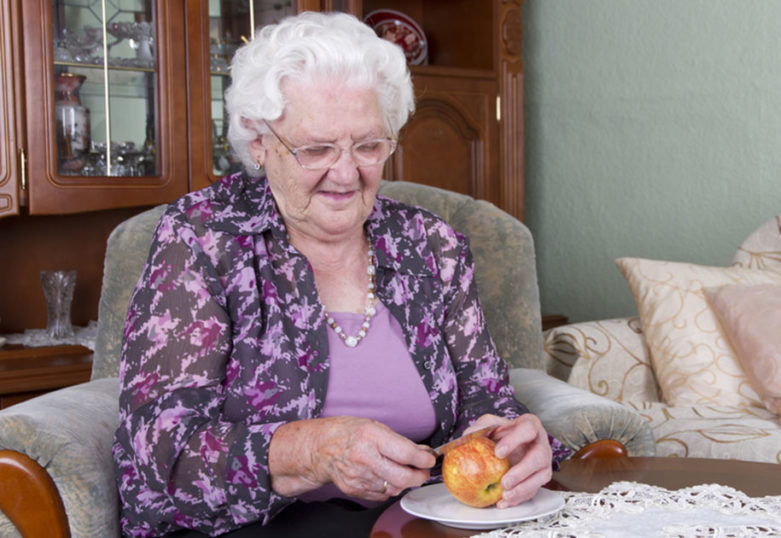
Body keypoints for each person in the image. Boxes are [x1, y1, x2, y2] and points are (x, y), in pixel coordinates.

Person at [112, 11, 569, 537]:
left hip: (411, 521)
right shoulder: (203, 238)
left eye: (369, 145)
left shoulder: (431, 245)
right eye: (316, 149)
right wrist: (313, 451)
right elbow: (161, 447)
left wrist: (508, 441)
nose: (347, 172)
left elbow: (485, 395)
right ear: (260, 143)